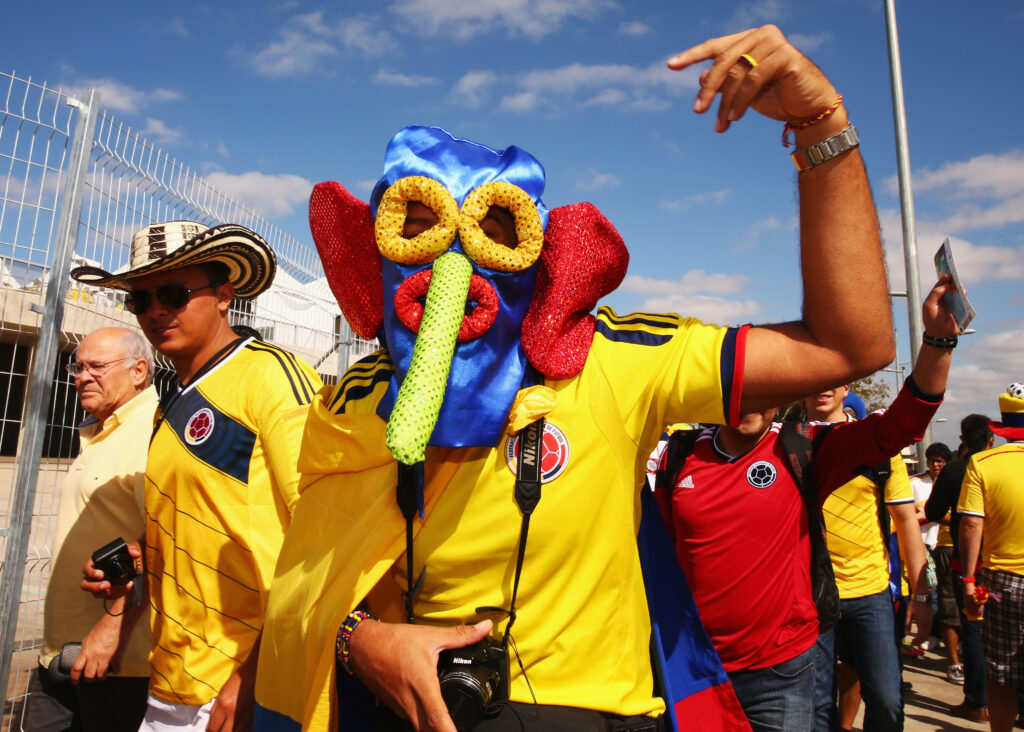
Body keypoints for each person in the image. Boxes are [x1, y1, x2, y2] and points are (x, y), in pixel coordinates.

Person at [255, 25, 897, 732]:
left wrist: (819, 125)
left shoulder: (615, 359)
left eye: (497, 233)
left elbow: (848, 346)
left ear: (544, 258)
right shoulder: (355, 399)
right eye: (418, 229)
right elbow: (302, 582)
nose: (454, 267)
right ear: (369, 258)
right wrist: (362, 641)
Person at [651, 278, 958, 732]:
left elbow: (900, 426)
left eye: (765, 385)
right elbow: (661, 560)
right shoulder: (679, 457)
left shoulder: (806, 449)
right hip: (695, 668)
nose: (751, 397)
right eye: (738, 385)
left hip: (783, 673)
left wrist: (938, 342)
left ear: (785, 394)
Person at [70, 221, 321, 731]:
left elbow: (321, 535)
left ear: (225, 295)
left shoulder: (272, 376)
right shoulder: (171, 408)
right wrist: (145, 551)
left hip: (241, 686)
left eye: (174, 293)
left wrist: (255, 675)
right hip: (173, 681)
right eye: (140, 300)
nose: (156, 311)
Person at [25, 328, 158, 732]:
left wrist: (114, 625)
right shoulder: (100, 432)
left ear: (139, 371)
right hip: (59, 656)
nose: (82, 376)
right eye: (78, 367)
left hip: (118, 663)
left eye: (97, 367)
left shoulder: (154, 435)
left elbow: (166, 543)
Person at [805, 383, 931, 732]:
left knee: (888, 701)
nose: (822, 388)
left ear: (847, 387)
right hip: (809, 596)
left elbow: (907, 522)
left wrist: (921, 595)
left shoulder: (877, 445)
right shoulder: (784, 445)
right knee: (815, 707)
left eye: (834, 379)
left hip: (870, 593)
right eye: (816, 379)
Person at [959, 384, 1024, 732]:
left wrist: (969, 580)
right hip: (1004, 579)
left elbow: (971, 523)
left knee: (1002, 673)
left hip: (1003, 581)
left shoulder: (982, 463)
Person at [925, 413, 994, 722]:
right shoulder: (1001, 466)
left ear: (963, 441)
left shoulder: (954, 470)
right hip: (1003, 559)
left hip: (962, 558)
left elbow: (933, 510)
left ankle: (977, 702)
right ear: (992, 439)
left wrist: (961, 521)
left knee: (974, 630)